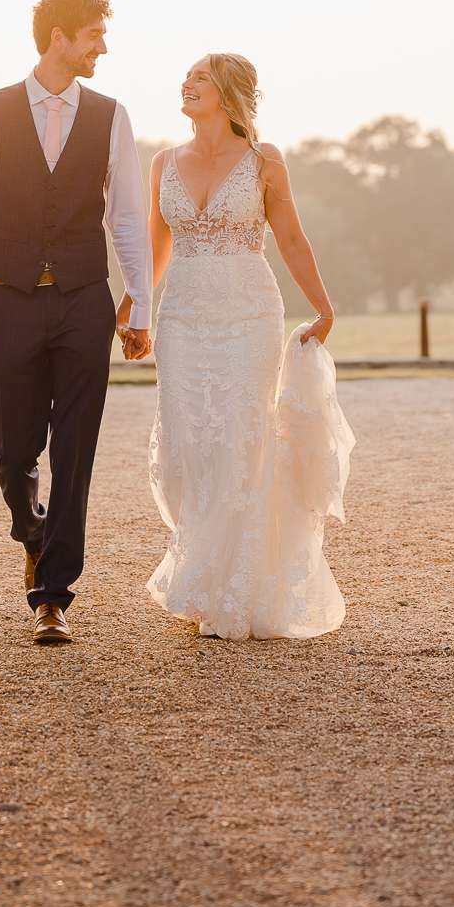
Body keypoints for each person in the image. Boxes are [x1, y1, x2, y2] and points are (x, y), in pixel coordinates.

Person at [119, 52, 352, 641]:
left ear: (226, 93)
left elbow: (292, 238)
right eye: (186, 77)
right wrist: (135, 305)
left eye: (199, 78)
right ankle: (202, 571)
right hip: (183, 317)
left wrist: (324, 306)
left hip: (249, 315)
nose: (187, 83)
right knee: (187, 445)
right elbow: (155, 242)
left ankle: (237, 589)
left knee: (240, 444)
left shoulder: (264, 161)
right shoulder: (163, 162)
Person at [0, 0, 152, 646]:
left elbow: (125, 217)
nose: (102, 47)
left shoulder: (111, 116)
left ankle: (53, 597)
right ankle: (31, 530)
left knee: (75, 448)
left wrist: (138, 305)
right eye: (93, 35)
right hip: (9, 299)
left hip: (83, 302)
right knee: (12, 450)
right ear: (58, 37)